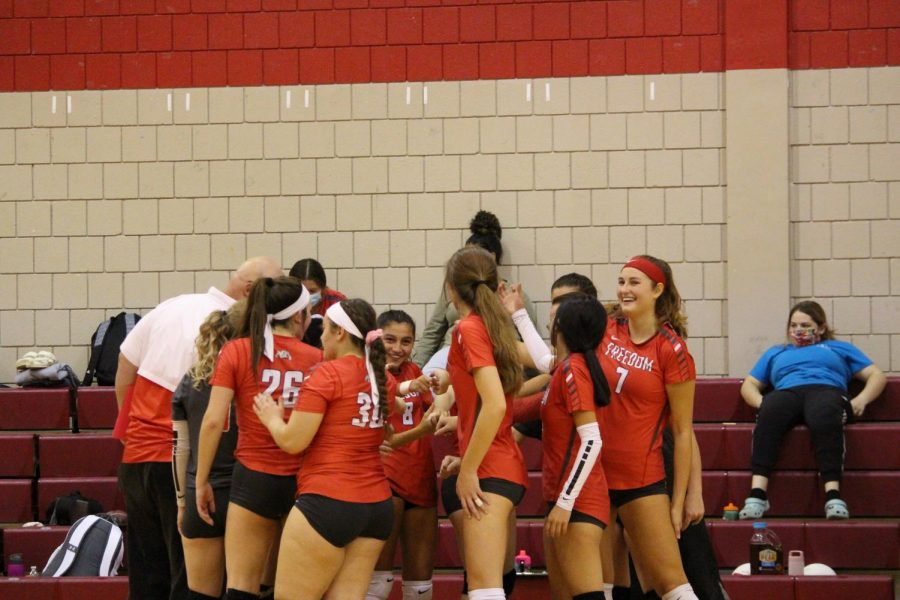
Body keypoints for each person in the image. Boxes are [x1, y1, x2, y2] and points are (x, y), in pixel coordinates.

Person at [115, 256, 282, 600]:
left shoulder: (172, 305)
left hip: (137, 460)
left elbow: (124, 365)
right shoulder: (242, 334)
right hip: (184, 464)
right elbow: (216, 416)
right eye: (275, 288)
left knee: (147, 576)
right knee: (193, 579)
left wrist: (131, 432)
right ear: (252, 290)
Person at [252, 299, 394, 600]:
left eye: (326, 329)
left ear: (340, 333)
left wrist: (271, 419)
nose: (320, 336)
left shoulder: (327, 374)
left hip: (329, 501)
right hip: (376, 506)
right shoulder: (381, 378)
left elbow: (292, 442)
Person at [196, 277, 321, 600]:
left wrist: (201, 481)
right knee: (294, 589)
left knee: (241, 584)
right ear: (297, 317)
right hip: (304, 480)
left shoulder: (237, 351)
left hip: (254, 478)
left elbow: (213, 422)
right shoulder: (316, 358)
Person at [598, 255, 698, 600]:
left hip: (641, 479)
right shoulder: (606, 329)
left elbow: (683, 433)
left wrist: (679, 500)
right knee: (599, 587)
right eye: (621, 281)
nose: (624, 290)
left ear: (658, 289)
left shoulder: (673, 351)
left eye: (634, 282)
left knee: (673, 585)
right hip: (595, 477)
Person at [737, 300, 886, 521]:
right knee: (770, 415)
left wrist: (861, 400)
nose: (798, 330)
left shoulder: (838, 348)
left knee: (824, 417)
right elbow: (749, 384)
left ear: (821, 327)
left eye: (805, 325)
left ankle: (833, 496)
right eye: (794, 325)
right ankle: (757, 495)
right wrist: (762, 402)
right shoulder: (776, 352)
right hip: (787, 392)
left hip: (826, 390)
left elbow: (876, 375)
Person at [441, 246, 527, 600]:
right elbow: (547, 362)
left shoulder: (468, 329)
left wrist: (468, 469)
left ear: (450, 287)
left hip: (491, 470)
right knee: (493, 587)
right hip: (501, 465)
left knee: (484, 591)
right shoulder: (492, 327)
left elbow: (492, 405)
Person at [542, 294, 611, 600]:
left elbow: (592, 440)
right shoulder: (566, 368)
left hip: (578, 503)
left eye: (553, 317)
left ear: (561, 327)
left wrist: (566, 502)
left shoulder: (574, 369)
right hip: (564, 499)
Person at [366, 310, 439, 600]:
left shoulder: (416, 372)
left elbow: (436, 407)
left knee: (420, 584)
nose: (398, 348)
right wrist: (423, 429)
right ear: (376, 339)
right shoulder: (367, 374)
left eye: (406, 341)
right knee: (378, 579)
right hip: (385, 477)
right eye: (390, 340)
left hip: (420, 477)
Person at [172, 304, 243, 600]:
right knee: (250, 590)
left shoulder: (190, 382)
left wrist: (181, 503)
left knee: (201, 595)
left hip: (200, 493)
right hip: (247, 495)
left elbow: (180, 448)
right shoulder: (252, 379)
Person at [412, 210, 537, 367]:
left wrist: (534, 383)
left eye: (472, 258)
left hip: (500, 356)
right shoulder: (453, 290)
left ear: (491, 257)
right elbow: (432, 333)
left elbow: (532, 345)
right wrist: (414, 370)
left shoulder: (514, 296)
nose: (467, 264)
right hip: (451, 353)